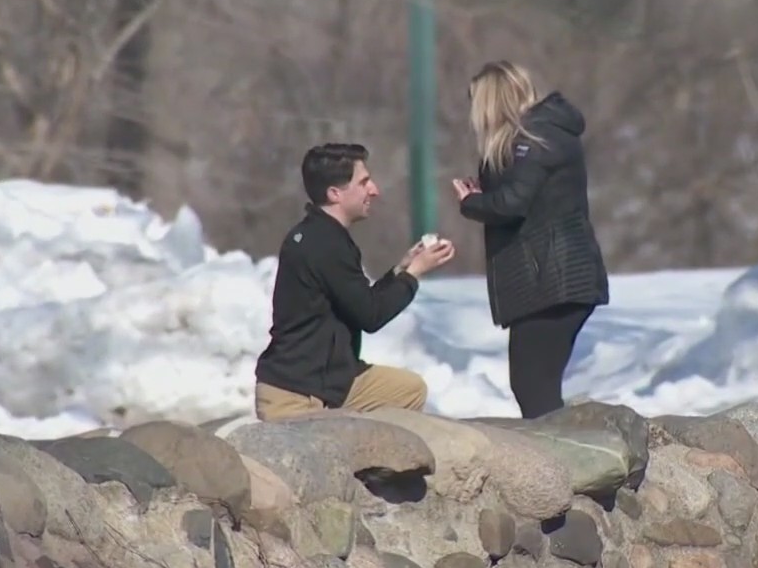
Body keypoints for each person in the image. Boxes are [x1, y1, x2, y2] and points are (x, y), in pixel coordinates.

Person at [451, 60, 610, 419]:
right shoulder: (541, 136)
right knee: (535, 385)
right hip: (554, 280)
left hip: (554, 281)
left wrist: (471, 202)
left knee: (532, 385)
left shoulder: (534, 139)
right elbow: (523, 193)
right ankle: (565, 459)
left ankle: (562, 465)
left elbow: (512, 203)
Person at [255, 142, 456, 421]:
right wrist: (414, 275)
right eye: (363, 183)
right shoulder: (325, 244)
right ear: (335, 193)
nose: (374, 190)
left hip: (330, 382)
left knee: (407, 390)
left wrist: (401, 270)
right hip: (298, 394)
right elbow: (371, 316)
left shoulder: (321, 235)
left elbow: (358, 300)